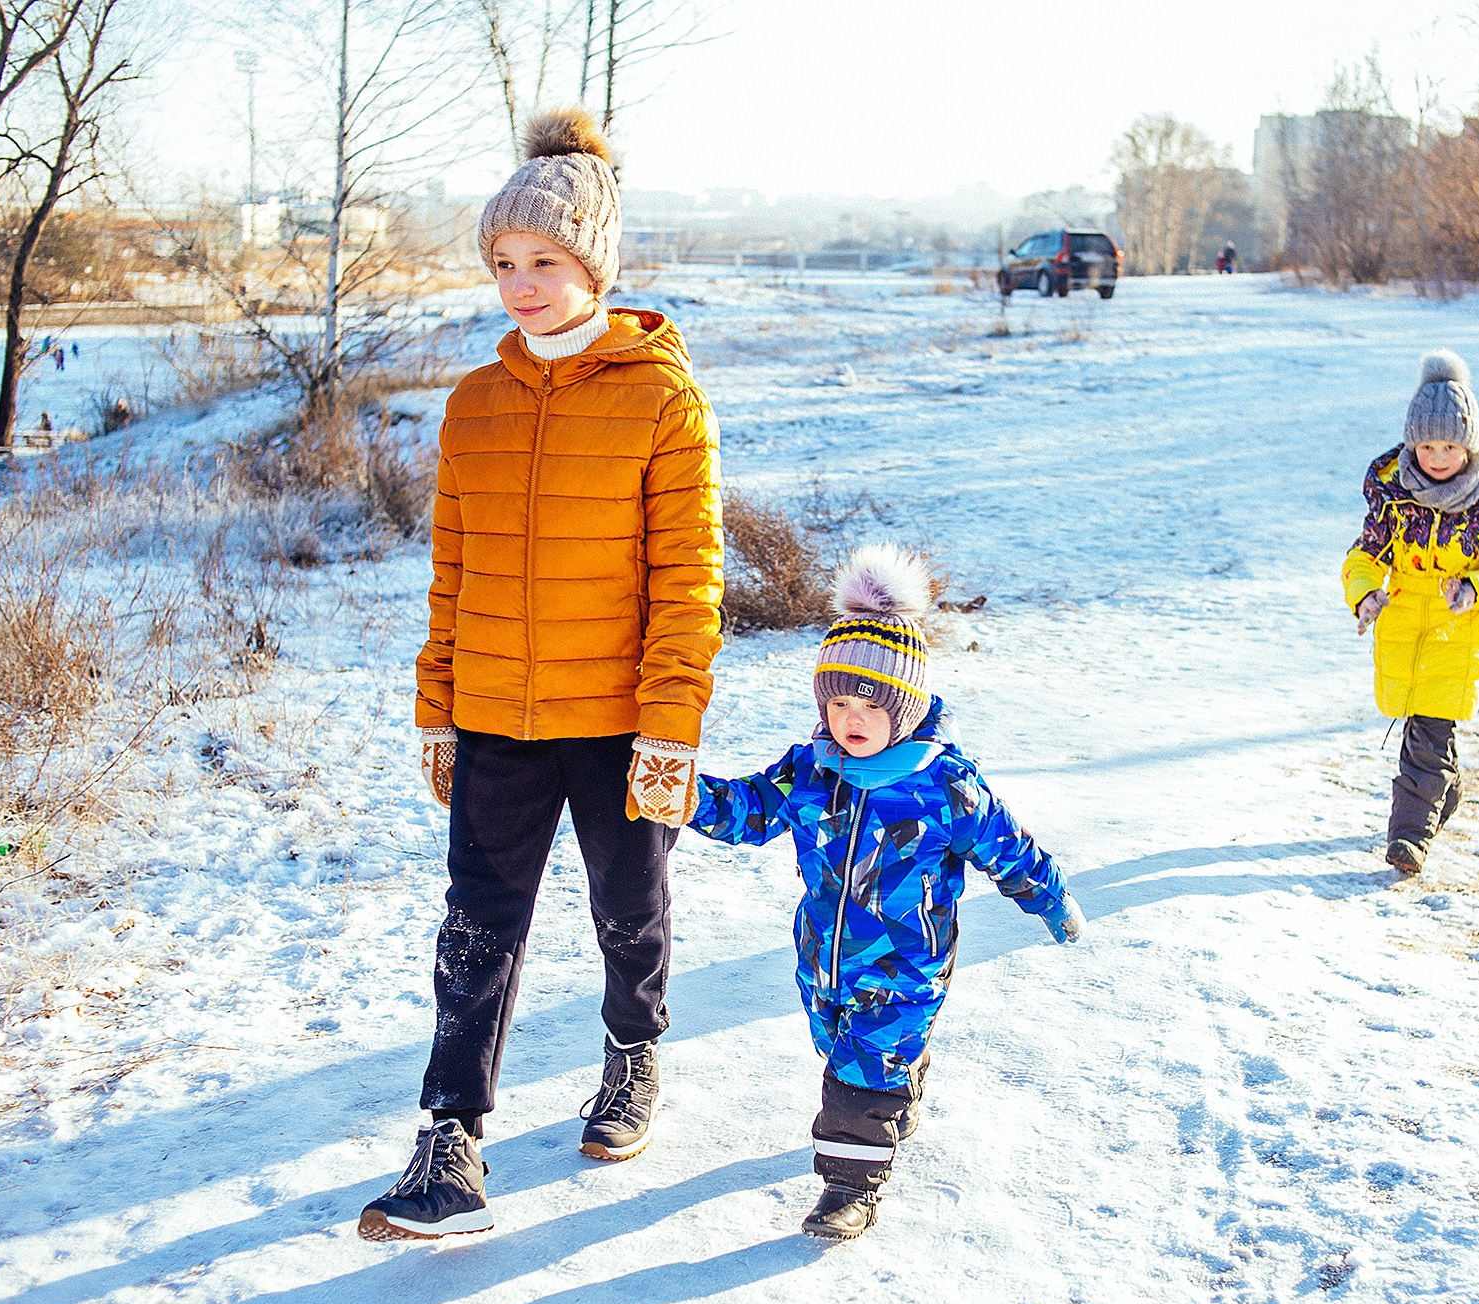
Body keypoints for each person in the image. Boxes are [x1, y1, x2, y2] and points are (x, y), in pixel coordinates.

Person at [356, 107, 724, 1243]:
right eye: (504, 263)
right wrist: (438, 707)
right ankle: (449, 1139)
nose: (520, 285)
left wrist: (670, 727)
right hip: (494, 717)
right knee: (476, 924)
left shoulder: (662, 398)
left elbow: (688, 581)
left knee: (629, 909)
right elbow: (451, 572)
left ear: (593, 265)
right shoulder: (474, 403)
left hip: (618, 720)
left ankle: (632, 1056)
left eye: (544, 262)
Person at [687, 546, 1086, 1241]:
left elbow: (1008, 848)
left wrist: (1050, 898)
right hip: (822, 961)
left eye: (871, 704)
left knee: (861, 1076)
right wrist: (688, 797)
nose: (852, 717)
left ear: (905, 708)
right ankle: (901, 1079)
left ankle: (849, 1187)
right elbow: (749, 811)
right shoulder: (811, 771)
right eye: (838, 701)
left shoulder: (943, 783)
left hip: (906, 968)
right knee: (841, 1048)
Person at [1343, 351, 1479, 875]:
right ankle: (1447, 788)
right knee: (1425, 734)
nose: (1437, 457)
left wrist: (1474, 587)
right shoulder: (1394, 495)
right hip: (1403, 626)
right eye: (1426, 446)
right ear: (1411, 444)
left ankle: (1407, 837)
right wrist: (1366, 594)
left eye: (1449, 446)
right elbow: (1365, 556)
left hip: (1456, 634)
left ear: (1469, 446)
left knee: (1427, 737)